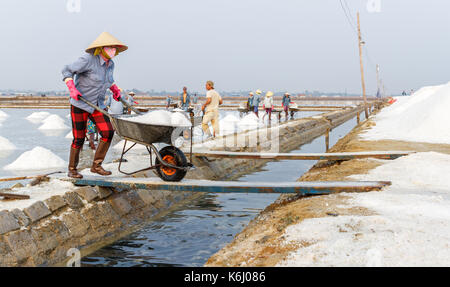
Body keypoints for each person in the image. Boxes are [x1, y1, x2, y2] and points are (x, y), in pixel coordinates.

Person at [62, 32, 128, 178]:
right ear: (102, 48)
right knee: (79, 138)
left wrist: (115, 90)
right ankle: (72, 169)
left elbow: (109, 81)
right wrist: (72, 87)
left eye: (114, 48)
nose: (113, 50)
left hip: (97, 105)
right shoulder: (88, 59)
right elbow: (67, 70)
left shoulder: (111, 64)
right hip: (80, 103)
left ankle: (96, 166)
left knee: (108, 132)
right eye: (110, 47)